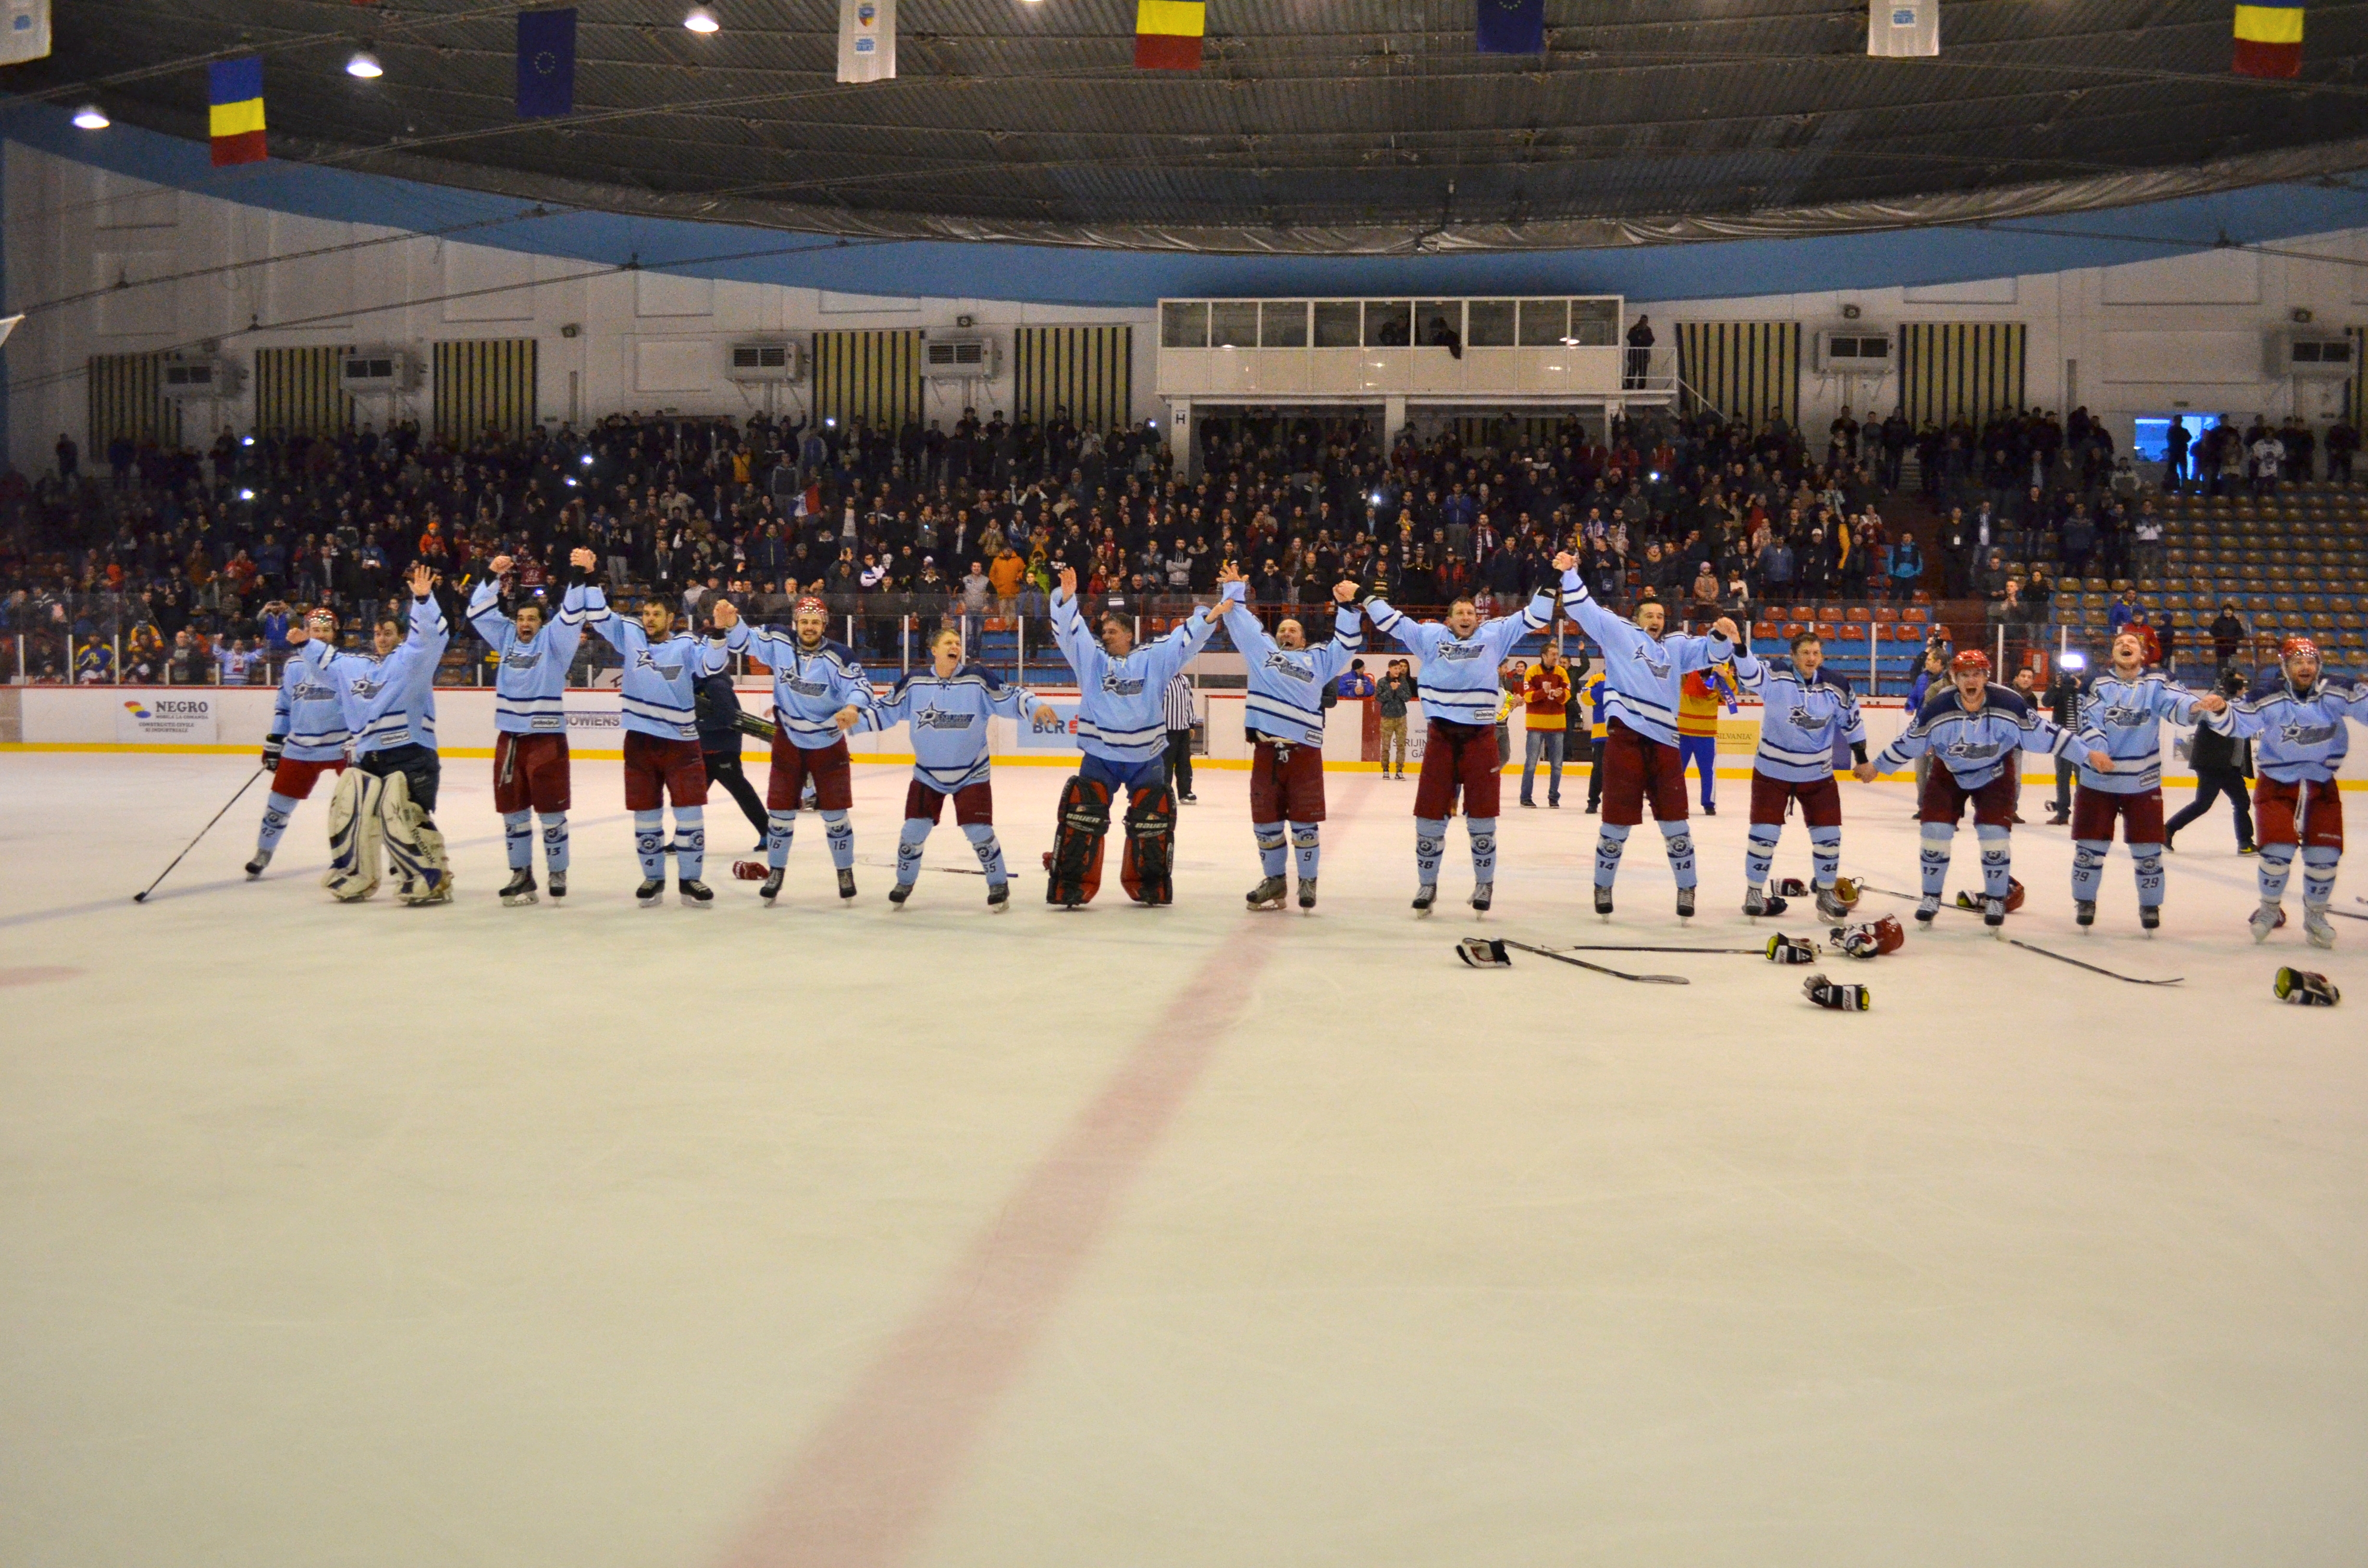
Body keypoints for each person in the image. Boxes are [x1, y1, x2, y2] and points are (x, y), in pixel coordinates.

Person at [1855, 649, 2106, 931]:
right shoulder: (1938, 707)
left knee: (1994, 836)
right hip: (1948, 773)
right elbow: (1909, 741)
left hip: (1995, 774)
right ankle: (1931, 897)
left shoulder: (2010, 704)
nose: (1971, 680)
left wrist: (2087, 754)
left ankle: (1997, 898)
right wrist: (1877, 766)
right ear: (1954, 678)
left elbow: (2047, 734)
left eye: (1977, 674)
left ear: (1986, 678)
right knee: (1934, 833)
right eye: (1964, 675)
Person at [1553, 551, 1744, 919]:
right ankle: (1603, 885)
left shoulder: (1677, 646)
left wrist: (1722, 634)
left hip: (1666, 743)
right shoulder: (1620, 633)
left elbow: (1709, 652)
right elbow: (1585, 609)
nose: (1656, 620)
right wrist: (1571, 573)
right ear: (1636, 619)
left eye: (1660, 615)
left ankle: (1687, 888)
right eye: (1649, 616)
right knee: (1615, 821)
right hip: (1625, 738)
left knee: (1676, 822)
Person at [1365, 579, 1558, 913]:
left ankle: (1484, 885)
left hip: (1482, 738)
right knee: (1429, 816)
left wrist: (1553, 582)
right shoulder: (1429, 638)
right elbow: (1393, 622)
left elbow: (1537, 616)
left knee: (1482, 817)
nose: (1467, 616)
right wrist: (1364, 596)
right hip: (1441, 735)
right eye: (1460, 613)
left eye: (1471, 612)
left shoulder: (1494, 636)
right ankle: (1428, 886)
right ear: (1449, 621)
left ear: (1477, 619)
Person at [1044, 565, 1230, 907]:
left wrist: (1208, 616)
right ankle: (1071, 882)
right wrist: (1066, 600)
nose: (1106, 635)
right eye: (1104, 630)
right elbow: (1071, 636)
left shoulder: (1153, 659)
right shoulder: (1092, 661)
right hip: (1101, 758)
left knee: (1152, 822)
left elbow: (1182, 642)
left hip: (1147, 759)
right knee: (1082, 819)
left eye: (1113, 630)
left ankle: (1149, 885)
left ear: (1130, 634)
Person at [867, 626, 1053, 910]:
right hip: (927, 774)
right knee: (913, 832)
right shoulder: (915, 682)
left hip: (972, 773)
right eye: (949, 642)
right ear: (934, 650)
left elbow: (1008, 695)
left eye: (958, 642)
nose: (956, 646)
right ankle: (904, 882)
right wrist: (850, 718)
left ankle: (998, 884)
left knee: (979, 831)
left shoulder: (976, 678)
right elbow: (884, 709)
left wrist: (1035, 706)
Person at [300, 563, 453, 905]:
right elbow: (331, 663)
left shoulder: (412, 660)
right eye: (378, 633)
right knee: (350, 804)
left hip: (411, 753)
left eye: (388, 632)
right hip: (370, 754)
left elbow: (430, 638)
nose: (382, 639)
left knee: (401, 813)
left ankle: (431, 875)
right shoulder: (360, 667)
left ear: (400, 635)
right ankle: (356, 873)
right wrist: (305, 644)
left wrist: (425, 600)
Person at [2202, 636, 2368, 947]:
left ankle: (2315, 917)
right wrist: (2222, 709)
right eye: (2297, 662)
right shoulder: (2271, 695)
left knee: (2325, 858)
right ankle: (2269, 909)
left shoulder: (2337, 689)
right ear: (2285, 666)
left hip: (2321, 785)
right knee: (2276, 854)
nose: (2305, 667)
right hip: (2277, 784)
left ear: (2319, 666)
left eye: (2311, 662)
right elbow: (2239, 722)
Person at [1219, 567, 1363, 910]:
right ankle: (1275, 882)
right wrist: (1235, 588)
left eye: (1293, 630)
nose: (1287, 633)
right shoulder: (1262, 653)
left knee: (1304, 823)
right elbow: (1241, 622)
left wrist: (1348, 607)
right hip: (1267, 751)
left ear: (1303, 637)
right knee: (1265, 821)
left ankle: (1308, 883)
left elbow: (1347, 643)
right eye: (1282, 629)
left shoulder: (1320, 659)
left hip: (1305, 753)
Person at [2065, 627, 2226, 932]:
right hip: (2099, 780)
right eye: (2119, 643)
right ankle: (2085, 900)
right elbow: (2090, 721)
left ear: (2143, 653)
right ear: (2112, 653)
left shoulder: (2158, 681)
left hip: (2142, 781)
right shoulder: (2096, 684)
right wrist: (2097, 751)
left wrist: (2197, 706)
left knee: (2148, 850)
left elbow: (2176, 704)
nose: (2125, 645)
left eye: (2132, 643)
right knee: (2089, 848)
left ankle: (2150, 905)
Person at [585, 572, 731, 906]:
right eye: (645, 614)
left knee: (690, 813)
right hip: (640, 742)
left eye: (655, 615)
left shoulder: (687, 644)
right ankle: (653, 879)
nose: (648, 620)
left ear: (671, 619)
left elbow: (712, 665)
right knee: (646, 814)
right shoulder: (631, 635)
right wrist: (591, 576)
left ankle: (690, 879)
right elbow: (599, 615)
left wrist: (720, 631)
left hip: (681, 742)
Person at [720, 594, 877, 903]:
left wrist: (853, 707)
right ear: (796, 623)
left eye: (815, 622)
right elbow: (745, 642)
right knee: (779, 815)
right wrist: (732, 623)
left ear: (825, 625)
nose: (809, 627)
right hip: (788, 742)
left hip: (829, 744)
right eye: (804, 622)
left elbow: (861, 687)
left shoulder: (840, 656)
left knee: (836, 816)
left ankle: (844, 872)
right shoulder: (779, 640)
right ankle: (776, 872)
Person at [469, 553, 590, 906]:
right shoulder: (505, 638)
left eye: (531, 619)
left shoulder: (554, 642)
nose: (524, 624)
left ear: (542, 623)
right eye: (520, 618)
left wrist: (579, 574)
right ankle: (521, 874)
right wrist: (491, 575)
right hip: (510, 738)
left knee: (552, 811)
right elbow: (477, 612)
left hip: (546, 738)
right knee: (513, 811)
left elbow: (571, 616)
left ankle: (557, 870)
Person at [1732, 631, 1867, 919]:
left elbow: (1852, 722)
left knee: (1829, 836)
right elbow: (1749, 673)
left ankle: (1826, 894)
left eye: (1816, 653)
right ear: (1793, 656)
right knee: (1764, 835)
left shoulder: (1837, 685)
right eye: (1805, 653)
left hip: (1817, 774)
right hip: (1772, 772)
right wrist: (1739, 646)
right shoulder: (1777, 675)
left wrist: (1863, 759)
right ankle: (1754, 891)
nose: (1811, 658)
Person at [244, 609, 352, 880]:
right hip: (300, 746)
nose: (321, 635)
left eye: (326, 630)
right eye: (315, 630)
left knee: (359, 804)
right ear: (306, 632)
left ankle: (359, 856)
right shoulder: (293, 666)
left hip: (343, 746)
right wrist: (275, 742)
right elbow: (284, 707)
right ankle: (264, 851)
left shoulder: (346, 663)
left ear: (334, 633)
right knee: (278, 804)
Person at [2164, 667, 2256, 855]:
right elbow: (2205, 715)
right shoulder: (2214, 702)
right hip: (2212, 764)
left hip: (2229, 766)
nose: (2243, 688)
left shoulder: (2240, 704)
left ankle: (2246, 843)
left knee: (2241, 802)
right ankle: (2167, 830)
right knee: (2203, 804)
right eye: (2240, 684)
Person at [694, 666, 771, 852]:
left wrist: (697, 724)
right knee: (692, 799)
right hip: (704, 750)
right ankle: (687, 837)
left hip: (723, 750)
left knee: (742, 793)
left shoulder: (716, 685)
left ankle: (769, 834)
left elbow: (728, 718)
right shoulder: (698, 683)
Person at [1676, 663, 1736, 815]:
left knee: (1701, 772)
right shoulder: (1686, 672)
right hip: (1689, 731)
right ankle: (1704, 804)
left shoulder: (1715, 678)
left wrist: (1725, 676)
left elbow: (1731, 695)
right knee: (1677, 771)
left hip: (1700, 732)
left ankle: (1707, 803)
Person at [1518, 645, 1571, 808]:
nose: (1556, 657)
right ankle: (1526, 797)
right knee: (1531, 763)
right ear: (1544, 656)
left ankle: (1554, 797)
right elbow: (1528, 696)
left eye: (1557, 654)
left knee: (1557, 765)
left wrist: (1560, 695)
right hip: (1536, 724)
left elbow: (1567, 695)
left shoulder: (1562, 672)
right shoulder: (1532, 671)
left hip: (1557, 725)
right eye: (1553, 654)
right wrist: (1543, 692)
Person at [2043, 661, 2083, 826]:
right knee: (2063, 778)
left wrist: (2081, 688)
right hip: (2063, 740)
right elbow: (2046, 702)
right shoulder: (2059, 689)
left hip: (2083, 742)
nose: (2072, 677)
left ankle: (2083, 813)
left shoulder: (2086, 688)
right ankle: (2063, 814)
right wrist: (2056, 686)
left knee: (2083, 780)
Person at [1374, 658, 1416, 780]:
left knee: (1401, 745)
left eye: (1399, 668)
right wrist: (1390, 690)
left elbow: (1408, 697)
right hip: (1387, 718)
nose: (1398, 670)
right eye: (1396, 668)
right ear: (1390, 669)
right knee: (1386, 745)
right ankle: (1386, 769)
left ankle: (1399, 770)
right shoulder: (1382, 682)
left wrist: (1398, 689)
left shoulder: (1403, 682)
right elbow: (1379, 698)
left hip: (1401, 717)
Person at [1162, 671, 1198, 804]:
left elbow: (1190, 703)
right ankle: (1164, 793)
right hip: (1166, 730)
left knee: (1184, 763)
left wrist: (1191, 724)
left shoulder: (1185, 680)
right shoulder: (1161, 679)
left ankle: (1185, 792)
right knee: (1166, 764)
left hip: (1183, 730)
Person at [1580, 660, 1609, 813]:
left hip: (1622, 732)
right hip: (1601, 733)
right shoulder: (1597, 679)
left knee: (1622, 770)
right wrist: (1604, 689)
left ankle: (1616, 801)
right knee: (1598, 769)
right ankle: (1593, 801)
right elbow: (1586, 698)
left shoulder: (1626, 678)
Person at [1624, 314, 1653, 389]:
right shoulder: (1634, 329)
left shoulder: (1648, 330)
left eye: (1645, 321)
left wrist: (1643, 339)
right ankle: (1630, 386)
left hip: (1644, 355)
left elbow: (1651, 340)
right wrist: (1638, 338)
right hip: (1635, 354)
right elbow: (1630, 337)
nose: (1644, 322)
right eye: (1643, 320)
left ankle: (1641, 387)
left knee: (1643, 373)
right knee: (1632, 371)